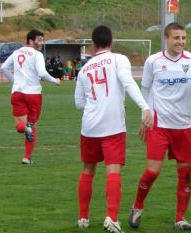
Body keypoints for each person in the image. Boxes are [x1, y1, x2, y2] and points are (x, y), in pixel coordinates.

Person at [127, 23, 191, 231]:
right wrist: (146, 115)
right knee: (152, 172)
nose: (181, 42)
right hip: (159, 125)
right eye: (176, 38)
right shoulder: (154, 61)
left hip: (184, 125)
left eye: (183, 38)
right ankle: (137, 206)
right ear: (165, 39)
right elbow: (145, 88)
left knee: (185, 174)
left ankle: (180, 218)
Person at [74, 25, 152, 233]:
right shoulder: (119, 59)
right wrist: (144, 106)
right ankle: (111, 217)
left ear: (92, 45)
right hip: (113, 125)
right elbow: (127, 82)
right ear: (112, 42)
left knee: (88, 169)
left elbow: (79, 103)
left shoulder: (84, 69)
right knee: (113, 170)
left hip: (89, 126)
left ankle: (83, 217)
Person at [0, 29, 61, 164]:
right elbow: (42, 73)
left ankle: (27, 152)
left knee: (20, 127)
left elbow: (4, 67)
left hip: (17, 93)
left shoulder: (16, 52)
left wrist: (14, 81)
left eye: (42, 40)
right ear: (31, 41)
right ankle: (26, 157)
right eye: (39, 40)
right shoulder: (37, 54)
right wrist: (55, 80)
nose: (41, 43)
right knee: (32, 126)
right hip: (33, 94)